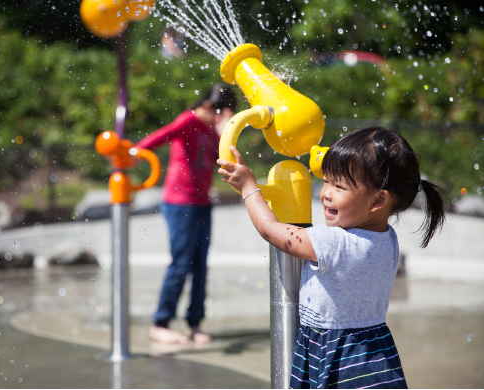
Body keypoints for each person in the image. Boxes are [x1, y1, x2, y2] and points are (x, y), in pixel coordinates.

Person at [218, 127, 446, 389]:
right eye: (326, 181)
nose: (325, 193)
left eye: (339, 186)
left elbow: (271, 231)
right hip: (375, 351)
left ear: (378, 200)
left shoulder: (333, 242)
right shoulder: (388, 238)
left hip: (336, 356)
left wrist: (249, 188)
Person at [135, 84, 237, 345]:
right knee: (181, 264)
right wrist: (134, 154)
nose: (215, 117)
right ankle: (160, 323)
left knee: (200, 265)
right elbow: (162, 135)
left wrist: (225, 134)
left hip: (202, 203)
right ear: (204, 105)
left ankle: (194, 324)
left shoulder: (212, 131)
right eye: (214, 111)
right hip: (180, 204)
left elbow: (224, 161)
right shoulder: (189, 120)